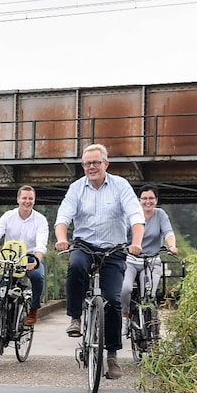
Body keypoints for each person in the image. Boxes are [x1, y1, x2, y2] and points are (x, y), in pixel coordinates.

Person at [54, 144, 144, 380]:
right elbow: (63, 217)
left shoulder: (120, 186)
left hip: (114, 248)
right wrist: (62, 239)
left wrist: (135, 242)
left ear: (106, 164)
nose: (91, 167)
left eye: (95, 162)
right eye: (87, 164)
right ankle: (75, 317)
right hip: (85, 244)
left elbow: (136, 215)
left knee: (113, 299)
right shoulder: (76, 188)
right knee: (75, 266)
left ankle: (112, 356)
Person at [0, 185, 48, 325]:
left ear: (34, 201)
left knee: (38, 277)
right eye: (24, 198)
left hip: (30, 257)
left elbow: (41, 244)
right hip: (10, 257)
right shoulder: (8, 216)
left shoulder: (40, 220)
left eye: (30, 198)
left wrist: (36, 261)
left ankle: (34, 307)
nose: (27, 201)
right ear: (18, 199)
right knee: (0, 293)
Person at [120, 184, 178, 317]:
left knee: (149, 294)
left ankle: (149, 324)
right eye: (144, 198)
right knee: (125, 289)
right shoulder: (131, 215)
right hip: (131, 260)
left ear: (156, 200)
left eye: (151, 198)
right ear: (139, 200)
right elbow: (122, 234)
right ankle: (124, 315)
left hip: (151, 260)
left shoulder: (160, 214)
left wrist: (172, 246)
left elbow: (168, 232)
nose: (148, 201)